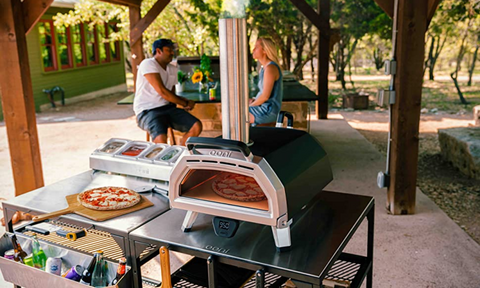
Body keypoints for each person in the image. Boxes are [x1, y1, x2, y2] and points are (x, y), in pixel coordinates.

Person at [134, 38, 202, 146]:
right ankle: (162, 161)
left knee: (196, 126)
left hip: (167, 108)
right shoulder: (148, 64)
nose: (172, 53)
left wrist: (182, 100)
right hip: (148, 110)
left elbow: (171, 92)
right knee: (161, 140)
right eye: (168, 50)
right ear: (158, 51)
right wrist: (184, 103)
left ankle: (179, 155)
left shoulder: (172, 68)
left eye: (172, 50)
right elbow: (163, 92)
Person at [249, 37, 283, 125]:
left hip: (268, 110)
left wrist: (250, 106)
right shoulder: (263, 68)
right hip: (264, 107)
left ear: (264, 50)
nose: (253, 50)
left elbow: (265, 97)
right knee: (231, 113)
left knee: (233, 115)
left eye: (256, 47)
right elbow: (262, 93)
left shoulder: (270, 68)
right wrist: (254, 100)